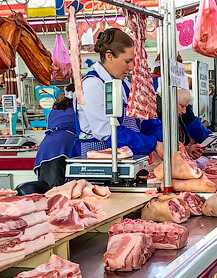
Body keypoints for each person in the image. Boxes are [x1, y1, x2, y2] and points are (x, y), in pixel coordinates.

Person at [77, 28, 163, 157]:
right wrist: (153, 144)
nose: (132, 67)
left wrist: (166, 139)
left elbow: (145, 122)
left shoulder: (125, 84)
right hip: (99, 162)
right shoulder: (92, 85)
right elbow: (110, 133)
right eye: (127, 61)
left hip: (126, 158)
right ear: (109, 56)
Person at [34, 85, 80, 187]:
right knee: (61, 190)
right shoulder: (78, 108)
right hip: (63, 147)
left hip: (45, 148)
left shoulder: (56, 108)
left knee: (46, 189)